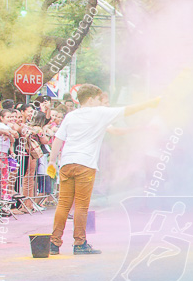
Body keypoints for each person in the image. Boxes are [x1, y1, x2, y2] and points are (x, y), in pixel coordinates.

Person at [49, 85, 160, 255]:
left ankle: (54, 243)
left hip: (67, 163)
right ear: (92, 99)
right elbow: (128, 110)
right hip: (85, 164)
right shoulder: (100, 113)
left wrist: (51, 161)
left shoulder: (71, 116)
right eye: (99, 99)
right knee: (81, 206)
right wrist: (150, 104)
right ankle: (79, 243)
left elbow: (58, 139)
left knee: (63, 204)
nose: (101, 102)